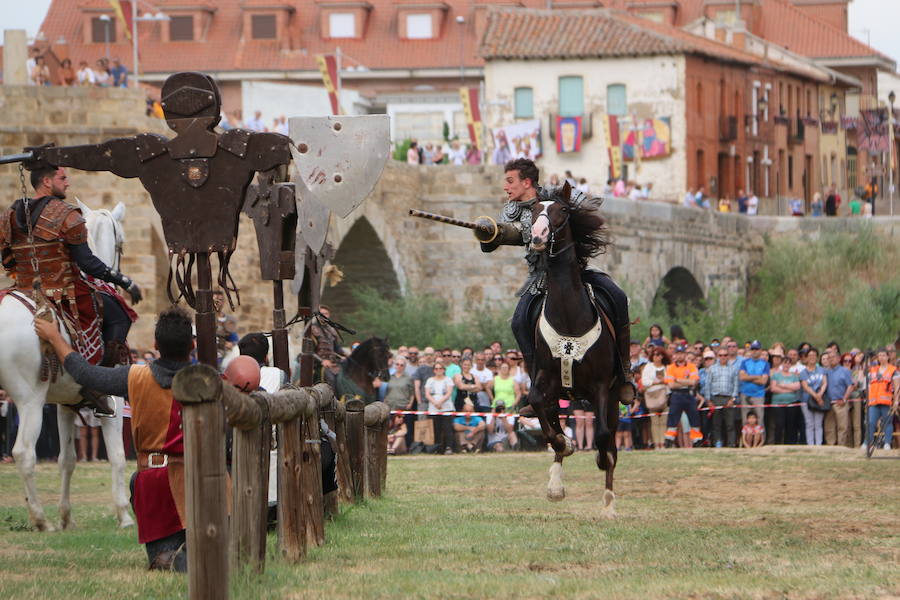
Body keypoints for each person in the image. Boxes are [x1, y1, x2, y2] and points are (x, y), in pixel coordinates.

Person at [34, 306, 196, 571]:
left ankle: (173, 555)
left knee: (141, 489)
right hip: (202, 482)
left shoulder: (134, 377)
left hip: (155, 483)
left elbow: (84, 373)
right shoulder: (210, 379)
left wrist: (55, 337)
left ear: (155, 345)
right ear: (191, 344)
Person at [481, 158, 633, 403]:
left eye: (510, 181)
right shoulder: (511, 211)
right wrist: (488, 234)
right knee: (519, 322)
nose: (505, 187)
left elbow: (591, 205)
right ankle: (537, 385)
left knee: (618, 297)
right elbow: (494, 243)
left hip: (576, 269)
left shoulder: (555, 198)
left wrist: (570, 203)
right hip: (539, 278)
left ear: (526, 182)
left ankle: (625, 372)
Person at [1, 165, 143, 416]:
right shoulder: (68, 214)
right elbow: (87, 263)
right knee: (121, 314)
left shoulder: (10, 215)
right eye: (62, 178)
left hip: (23, 288)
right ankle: (99, 384)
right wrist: (123, 281)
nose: (67, 183)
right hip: (64, 289)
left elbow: (7, 260)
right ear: (46, 181)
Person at [664, 345, 703, 447]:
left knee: (694, 418)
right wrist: (686, 381)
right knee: (673, 418)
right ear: (675, 355)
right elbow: (671, 385)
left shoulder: (691, 366)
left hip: (689, 394)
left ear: (685, 355)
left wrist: (677, 379)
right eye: (678, 353)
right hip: (676, 395)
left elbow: (693, 382)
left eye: (682, 353)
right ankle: (669, 440)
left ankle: (697, 440)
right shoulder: (670, 367)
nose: (680, 356)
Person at [865, 349, 899, 451]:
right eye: (879, 355)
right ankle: (868, 443)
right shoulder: (873, 369)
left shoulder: (893, 370)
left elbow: (897, 387)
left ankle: (887, 443)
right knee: (870, 422)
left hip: (887, 401)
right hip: (874, 401)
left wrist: (896, 401)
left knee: (887, 422)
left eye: (884, 355)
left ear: (888, 357)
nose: (881, 357)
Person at [705, 346, 739, 448]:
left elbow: (736, 385)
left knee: (730, 424)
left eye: (725, 355)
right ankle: (717, 443)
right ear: (717, 356)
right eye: (721, 355)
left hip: (728, 398)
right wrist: (708, 400)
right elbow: (708, 385)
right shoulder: (712, 369)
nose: (723, 357)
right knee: (716, 424)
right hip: (716, 398)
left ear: (728, 356)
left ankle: (731, 444)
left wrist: (733, 399)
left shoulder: (733, 369)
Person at [768, 351, 801, 445]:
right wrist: (789, 388)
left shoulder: (794, 376)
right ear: (782, 364)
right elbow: (773, 388)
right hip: (778, 403)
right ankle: (778, 442)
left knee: (790, 424)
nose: (786, 365)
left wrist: (782, 385)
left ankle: (789, 443)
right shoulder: (776, 375)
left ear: (791, 365)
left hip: (791, 403)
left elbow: (797, 386)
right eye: (785, 362)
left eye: (788, 363)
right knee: (779, 424)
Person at [823, 350, 855, 446]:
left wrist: (844, 399)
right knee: (829, 427)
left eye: (833, 357)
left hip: (840, 402)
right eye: (829, 358)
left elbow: (850, 386)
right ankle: (831, 446)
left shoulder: (844, 371)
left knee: (842, 426)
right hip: (829, 403)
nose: (831, 359)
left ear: (838, 358)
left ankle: (842, 446)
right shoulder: (826, 371)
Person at [640, 347, 669, 449]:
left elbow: (670, 379)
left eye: (659, 354)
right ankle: (656, 443)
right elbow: (644, 381)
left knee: (664, 421)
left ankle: (663, 442)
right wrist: (656, 382)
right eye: (655, 354)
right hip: (652, 396)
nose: (657, 357)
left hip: (664, 396)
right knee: (654, 421)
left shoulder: (666, 367)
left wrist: (663, 381)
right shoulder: (648, 367)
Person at [424, 360, 455, 454]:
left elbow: (449, 393)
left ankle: (449, 447)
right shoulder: (430, 380)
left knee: (447, 429)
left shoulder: (448, 380)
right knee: (436, 429)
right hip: (433, 409)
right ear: (434, 370)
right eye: (436, 368)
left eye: (440, 368)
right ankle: (437, 448)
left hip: (446, 408)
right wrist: (435, 403)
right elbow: (427, 394)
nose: (438, 370)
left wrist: (440, 402)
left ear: (444, 370)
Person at [799, 347, 828, 445]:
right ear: (806, 358)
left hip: (820, 399)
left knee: (818, 423)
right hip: (807, 400)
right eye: (810, 355)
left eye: (814, 355)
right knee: (809, 424)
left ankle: (818, 445)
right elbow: (805, 386)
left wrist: (820, 394)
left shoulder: (822, 370)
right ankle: (810, 445)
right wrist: (816, 396)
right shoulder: (803, 372)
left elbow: (824, 382)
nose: (812, 357)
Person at [738, 341, 770, 429]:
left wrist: (748, 377)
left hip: (758, 395)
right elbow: (742, 377)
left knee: (759, 419)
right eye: (753, 349)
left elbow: (763, 381)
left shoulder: (765, 364)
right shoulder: (745, 362)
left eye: (756, 349)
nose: (754, 351)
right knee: (745, 419)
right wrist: (756, 377)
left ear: (760, 350)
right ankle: (746, 441)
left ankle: (760, 441)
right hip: (745, 393)